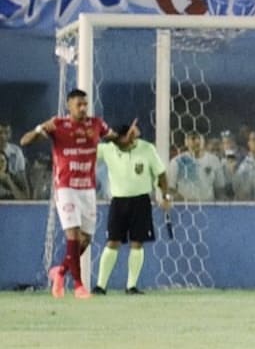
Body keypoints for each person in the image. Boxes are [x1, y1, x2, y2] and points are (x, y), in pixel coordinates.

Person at [19, 88, 115, 298]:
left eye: (85, 104)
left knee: (86, 240)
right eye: (78, 104)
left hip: (88, 188)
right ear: (68, 105)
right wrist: (40, 128)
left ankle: (60, 271)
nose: (82, 108)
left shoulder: (96, 124)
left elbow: (116, 138)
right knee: (73, 235)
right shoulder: (58, 125)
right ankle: (79, 285)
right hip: (66, 187)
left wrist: (127, 136)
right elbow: (24, 141)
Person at [94, 122, 171, 294]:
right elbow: (87, 150)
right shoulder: (108, 149)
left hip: (141, 201)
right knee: (112, 241)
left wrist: (165, 196)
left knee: (137, 242)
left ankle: (131, 286)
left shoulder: (147, 149)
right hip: (118, 201)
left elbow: (161, 174)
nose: (121, 146)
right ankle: (100, 286)